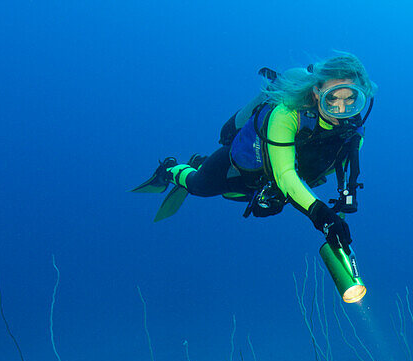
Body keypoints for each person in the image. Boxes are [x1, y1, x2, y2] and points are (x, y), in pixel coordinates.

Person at [133, 53, 376, 250]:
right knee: (200, 187)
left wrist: (338, 214)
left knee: (237, 199)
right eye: (332, 99)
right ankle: (170, 169)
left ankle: (200, 164)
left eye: (351, 99)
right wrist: (322, 216)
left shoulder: (353, 130)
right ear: (316, 93)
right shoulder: (287, 113)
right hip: (240, 167)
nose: (341, 110)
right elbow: (284, 175)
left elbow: (344, 169)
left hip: (278, 181)